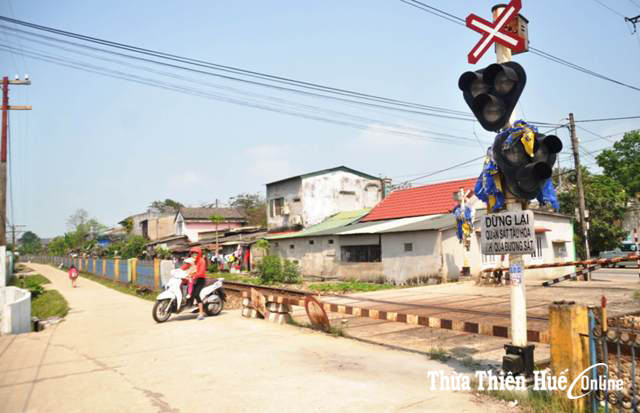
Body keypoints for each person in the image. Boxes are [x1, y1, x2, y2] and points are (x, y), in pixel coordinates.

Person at [181, 246, 207, 320]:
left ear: (199, 253)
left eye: (196, 253)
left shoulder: (202, 261)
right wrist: (177, 270)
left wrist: (195, 276)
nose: (194, 255)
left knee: (196, 294)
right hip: (192, 279)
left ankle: (201, 314)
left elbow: (201, 272)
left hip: (200, 280)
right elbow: (185, 266)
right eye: (193, 253)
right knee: (187, 291)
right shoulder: (192, 260)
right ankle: (189, 305)